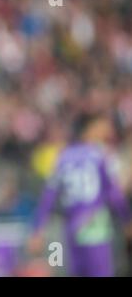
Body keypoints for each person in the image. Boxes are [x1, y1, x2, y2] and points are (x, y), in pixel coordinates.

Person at [28, 113, 132, 276]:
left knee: (68, 270)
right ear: (90, 129)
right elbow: (114, 193)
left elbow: (48, 196)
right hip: (94, 223)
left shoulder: (63, 157)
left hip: (68, 227)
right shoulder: (100, 155)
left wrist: (38, 229)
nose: (107, 131)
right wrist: (127, 220)